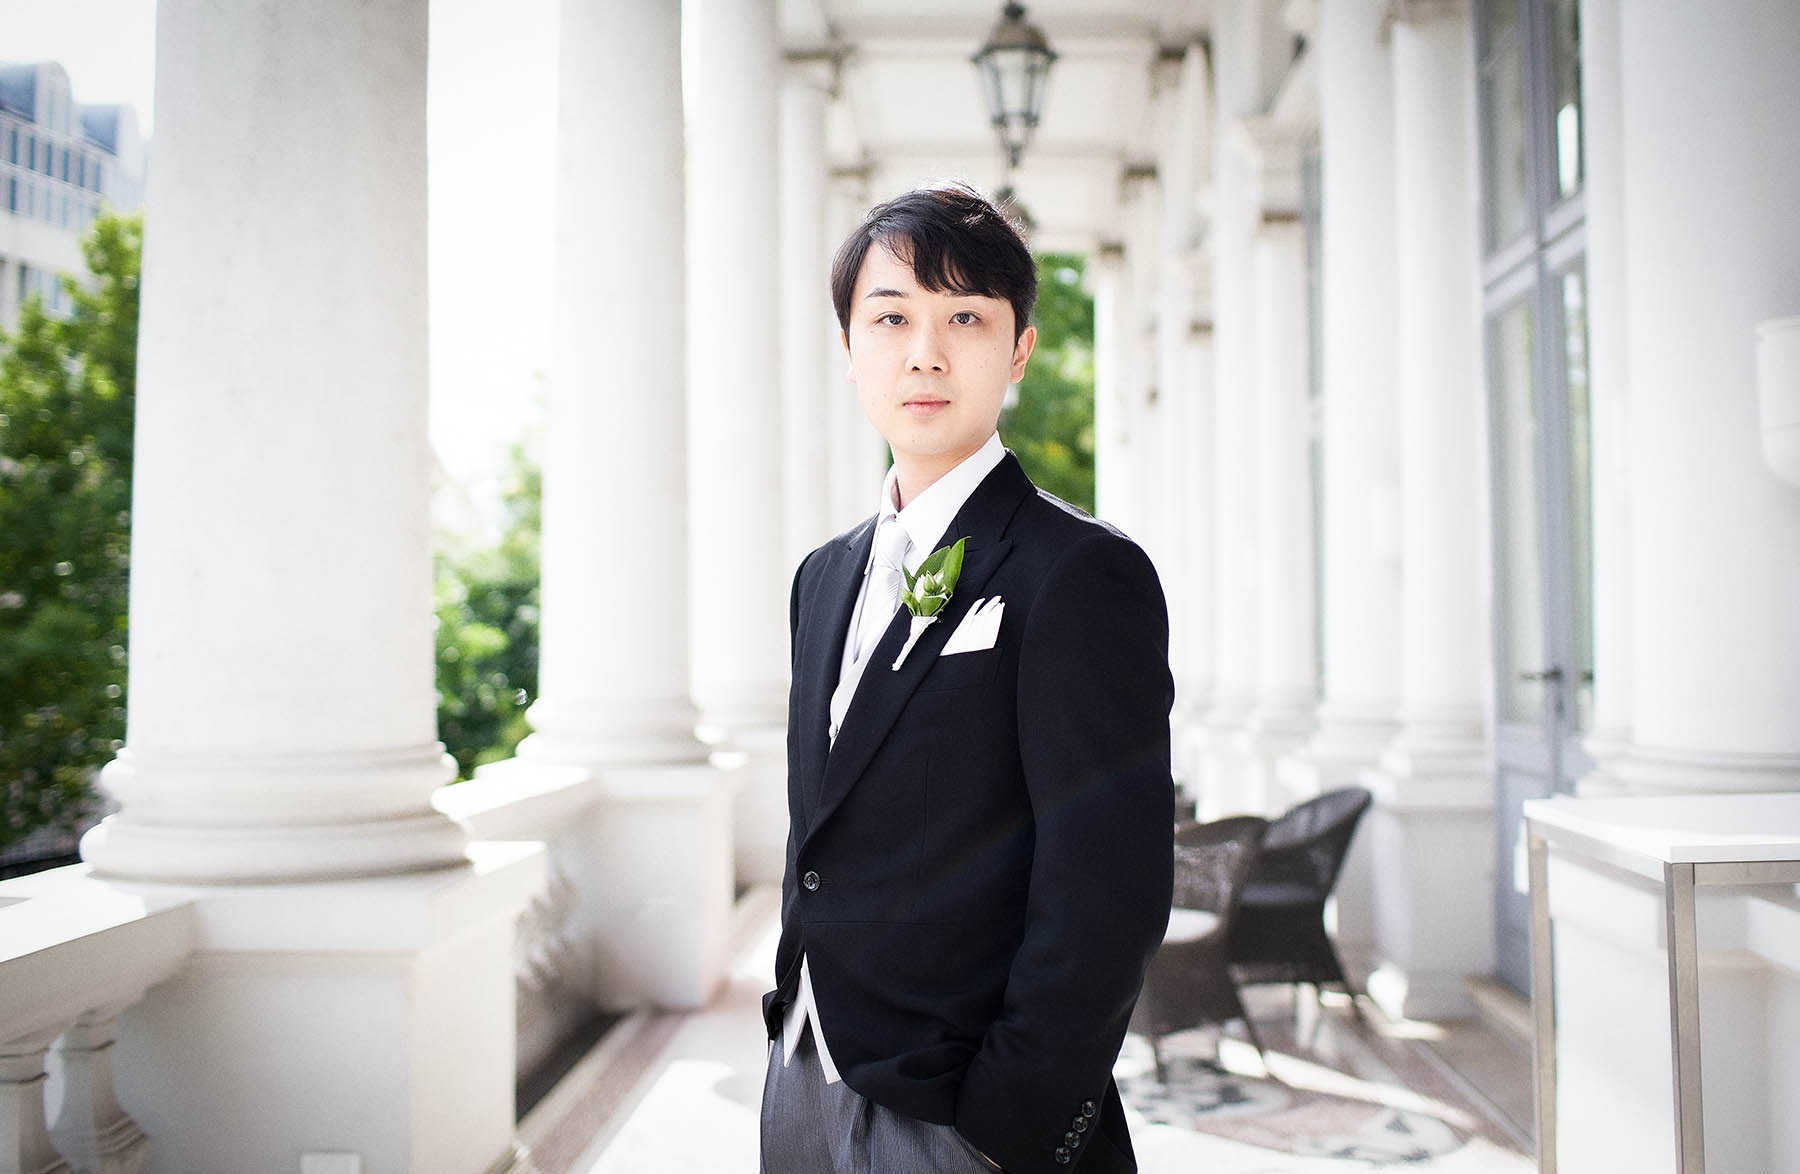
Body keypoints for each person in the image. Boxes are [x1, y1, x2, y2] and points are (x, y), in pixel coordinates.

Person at [761, 183, 1174, 1174]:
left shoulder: (1079, 572)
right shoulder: (823, 578)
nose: (925, 352)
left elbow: (1108, 888)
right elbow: (822, 825)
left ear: (1020, 349)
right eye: (892, 317)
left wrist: (1006, 1121)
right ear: (851, 345)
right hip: (800, 1076)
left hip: (960, 1115)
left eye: (966, 319)